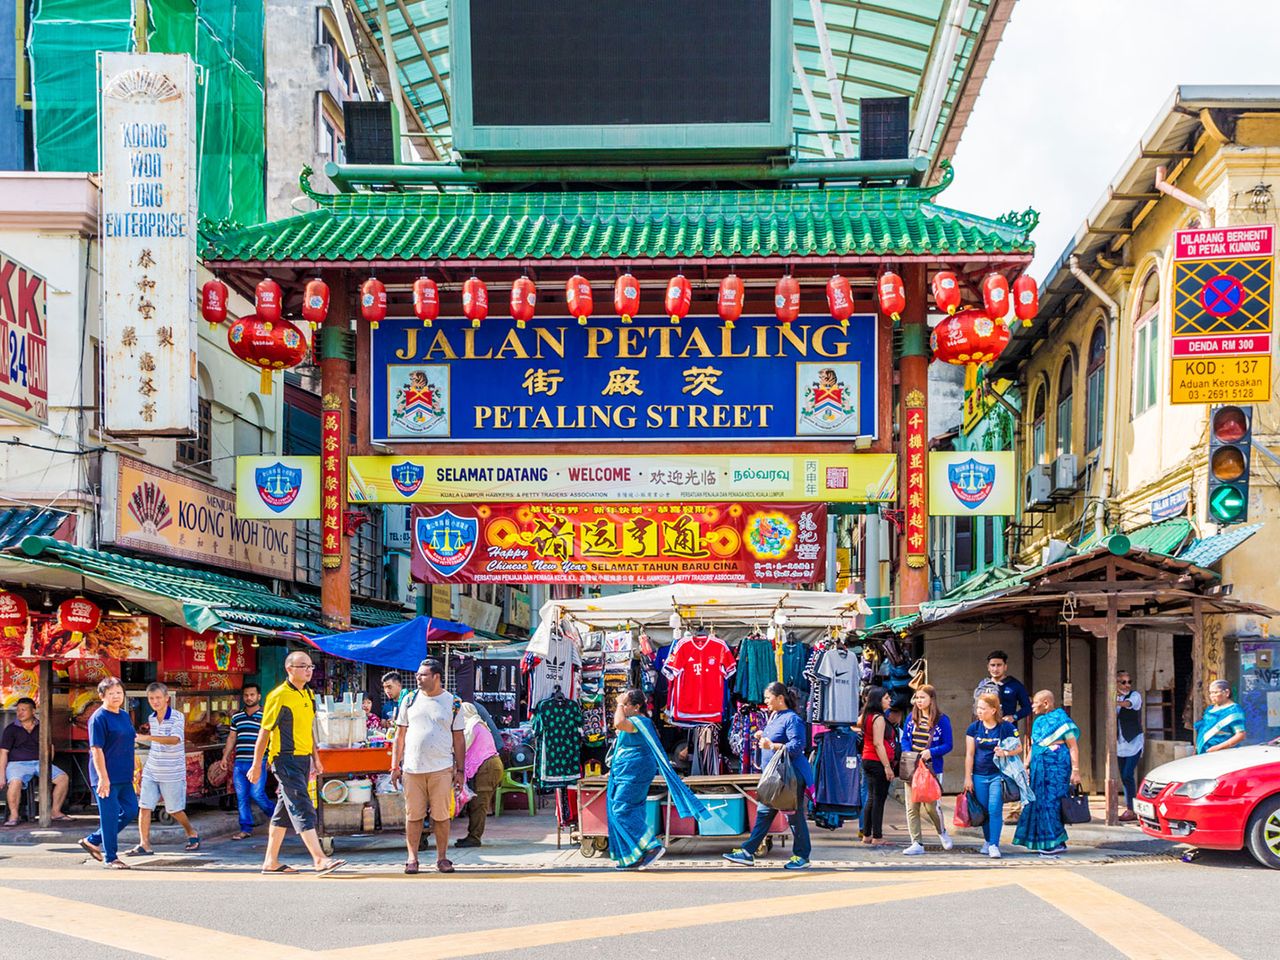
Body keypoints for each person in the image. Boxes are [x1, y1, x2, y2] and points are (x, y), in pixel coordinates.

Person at [248, 651, 345, 876]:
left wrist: (316, 758)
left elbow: (309, 729)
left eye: (310, 666)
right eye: (303, 666)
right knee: (302, 805)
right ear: (289, 669)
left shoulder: (308, 694)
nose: (308, 670)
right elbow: (264, 732)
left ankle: (271, 861)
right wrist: (256, 764)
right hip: (285, 758)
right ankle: (319, 859)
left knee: (283, 811)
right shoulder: (278, 695)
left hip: (302, 759)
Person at [611, 689, 707, 870]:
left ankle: (651, 847)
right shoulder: (638, 721)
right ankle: (636, 854)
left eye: (627, 705)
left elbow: (618, 723)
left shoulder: (640, 721)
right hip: (628, 771)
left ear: (636, 707)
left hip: (634, 772)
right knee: (633, 810)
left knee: (620, 810)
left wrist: (618, 704)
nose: (624, 708)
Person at [723, 681, 814, 870]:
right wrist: (763, 737)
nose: (765, 701)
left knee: (794, 816)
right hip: (775, 777)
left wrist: (771, 745)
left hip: (789, 776)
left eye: (768, 697)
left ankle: (802, 856)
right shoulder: (774, 716)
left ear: (780, 698)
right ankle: (748, 852)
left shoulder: (792, 719)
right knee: (764, 813)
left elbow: (797, 747)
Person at [390, 658, 465, 874]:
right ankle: (412, 858)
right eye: (418, 674)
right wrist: (395, 766)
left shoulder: (453, 703)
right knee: (413, 816)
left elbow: (459, 739)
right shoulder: (409, 699)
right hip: (412, 769)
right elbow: (400, 735)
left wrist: (460, 770)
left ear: (436, 677)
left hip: (441, 769)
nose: (418, 678)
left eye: (423, 675)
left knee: (441, 816)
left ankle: (442, 858)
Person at [129, 682, 200, 855]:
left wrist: (148, 737)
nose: (155, 701)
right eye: (151, 698)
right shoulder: (152, 718)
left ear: (167, 698)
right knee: (145, 806)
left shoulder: (177, 716)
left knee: (174, 809)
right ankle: (144, 844)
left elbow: (175, 739)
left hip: (172, 771)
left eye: (158, 698)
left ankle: (191, 832)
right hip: (152, 769)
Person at [79, 677, 139, 869]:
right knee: (110, 815)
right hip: (106, 776)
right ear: (102, 695)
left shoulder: (123, 715)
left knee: (131, 810)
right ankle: (111, 857)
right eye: (111, 693)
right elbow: (96, 749)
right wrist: (103, 778)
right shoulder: (98, 718)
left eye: (119, 693)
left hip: (124, 774)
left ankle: (93, 839)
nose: (116, 696)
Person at [1013, 690, 1080, 857]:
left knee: (1052, 803)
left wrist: (1076, 770)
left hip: (1056, 768)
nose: (1032, 706)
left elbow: (1072, 746)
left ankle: (1054, 842)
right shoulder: (1038, 722)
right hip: (1038, 769)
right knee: (1038, 803)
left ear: (1046, 703)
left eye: (1035, 703)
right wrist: (1026, 764)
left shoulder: (1062, 721)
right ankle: (1046, 841)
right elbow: (1035, 746)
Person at [964, 691, 1020, 859]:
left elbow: (1019, 748)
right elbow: (969, 754)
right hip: (979, 775)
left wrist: (1005, 752)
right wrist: (968, 777)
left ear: (994, 710)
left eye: (983, 708)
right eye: (978, 708)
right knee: (984, 811)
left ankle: (995, 844)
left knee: (995, 808)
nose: (979, 712)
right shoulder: (974, 728)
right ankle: (988, 841)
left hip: (998, 774)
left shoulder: (1006, 727)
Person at [899, 684, 953, 855]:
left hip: (931, 768)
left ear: (931, 699)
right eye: (917, 697)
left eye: (922, 697)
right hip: (912, 767)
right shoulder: (911, 718)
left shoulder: (942, 720)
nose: (919, 701)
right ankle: (916, 842)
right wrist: (909, 753)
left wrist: (931, 752)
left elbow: (948, 744)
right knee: (912, 806)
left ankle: (941, 831)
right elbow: (905, 739)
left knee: (930, 806)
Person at [1, 697, 71, 825]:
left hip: (40, 763)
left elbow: (51, 747)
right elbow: (3, 753)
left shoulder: (42, 727)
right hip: (17, 764)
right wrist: (1, 776)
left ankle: (55, 812)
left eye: (23, 710)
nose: (19, 713)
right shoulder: (11, 729)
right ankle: (14, 815)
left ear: (33, 711)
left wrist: (48, 764)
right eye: (18, 710)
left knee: (63, 778)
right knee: (15, 782)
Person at [223, 682, 275, 840]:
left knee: (257, 793)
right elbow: (232, 738)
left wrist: (269, 758)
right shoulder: (237, 717)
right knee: (242, 797)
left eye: (252, 695)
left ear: (259, 696)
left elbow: (272, 738)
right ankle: (245, 828)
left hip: (258, 762)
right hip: (240, 763)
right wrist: (225, 756)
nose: (249, 698)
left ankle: (277, 818)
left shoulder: (266, 715)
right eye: (246, 695)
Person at [455, 701, 504, 848]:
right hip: (489, 766)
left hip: (487, 767)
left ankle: (474, 837)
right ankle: (472, 835)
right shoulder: (479, 723)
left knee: (479, 804)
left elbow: (463, 746)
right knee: (477, 803)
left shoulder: (473, 725)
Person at [859, 685, 896, 845]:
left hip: (868, 759)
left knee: (871, 798)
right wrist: (887, 766)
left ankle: (867, 834)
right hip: (876, 761)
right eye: (886, 698)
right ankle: (877, 836)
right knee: (878, 799)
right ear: (878, 700)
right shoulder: (878, 718)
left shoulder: (867, 715)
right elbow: (878, 743)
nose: (889, 700)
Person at [974, 650, 1032, 728]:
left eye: (999, 665)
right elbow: (976, 708)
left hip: (1006, 730)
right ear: (988, 667)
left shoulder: (1015, 685)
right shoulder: (983, 684)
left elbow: (1027, 708)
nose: (995, 669)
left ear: (1005, 667)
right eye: (993, 665)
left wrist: (1014, 717)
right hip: (985, 730)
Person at [1116, 671, 1144, 822]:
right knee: (1124, 777)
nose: (1127, 685)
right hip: (1119, 742)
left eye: (1129, 682)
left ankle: (1131, 809)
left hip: (1133, 741)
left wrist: (1115, 701)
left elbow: (1129, 705)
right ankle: (1130, 808)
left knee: (1128, 774)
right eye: (1123, 682)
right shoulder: (1114, 696)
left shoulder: (1135, 696)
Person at [1195, 680, 1247, 754]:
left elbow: (1240, 735)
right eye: (1210, 693)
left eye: (1215, 692)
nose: (1212, 696)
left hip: (1222, 753)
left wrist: (1218, 748)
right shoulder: (1210, 709)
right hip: (1204, 751)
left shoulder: (1233, 710)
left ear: (1226, 693)